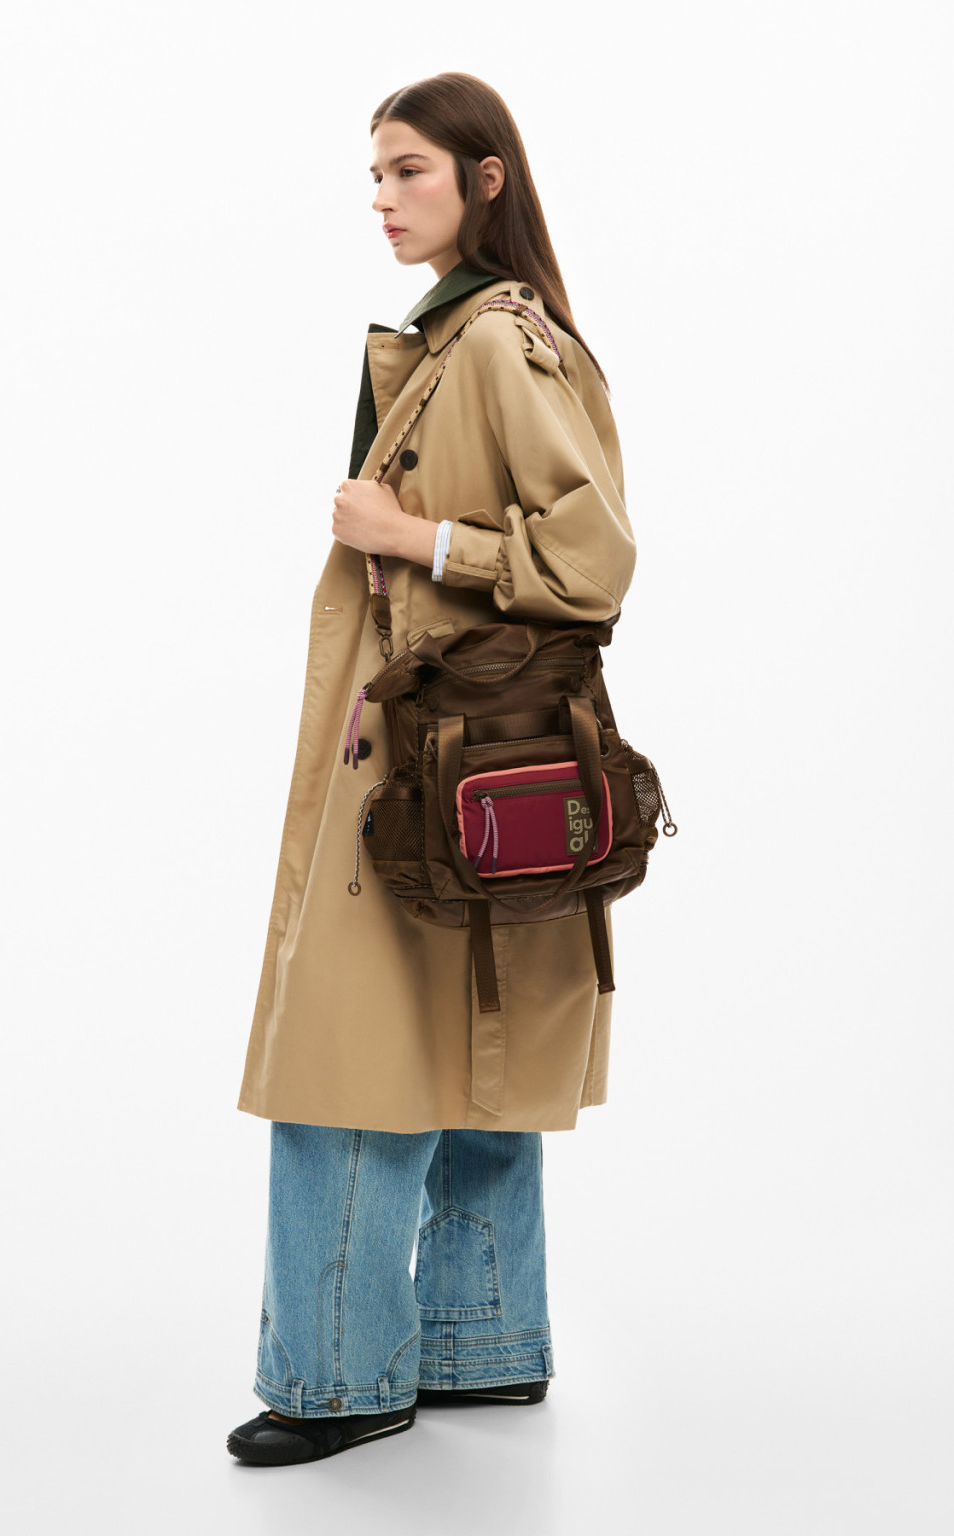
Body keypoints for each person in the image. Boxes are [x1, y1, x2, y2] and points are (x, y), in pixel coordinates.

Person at [227, 71, 637, 1467]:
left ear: (485, 178)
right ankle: (480, 1342)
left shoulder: (498, 345)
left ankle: (338, 1379)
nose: (385, 199)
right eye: (376, 176)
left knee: (348, 1051)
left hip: (443, 757)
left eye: (409, 170)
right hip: (456, 759)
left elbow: (594, 561)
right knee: (470, 1027)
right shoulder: (457, 336)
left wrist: (411, 540)